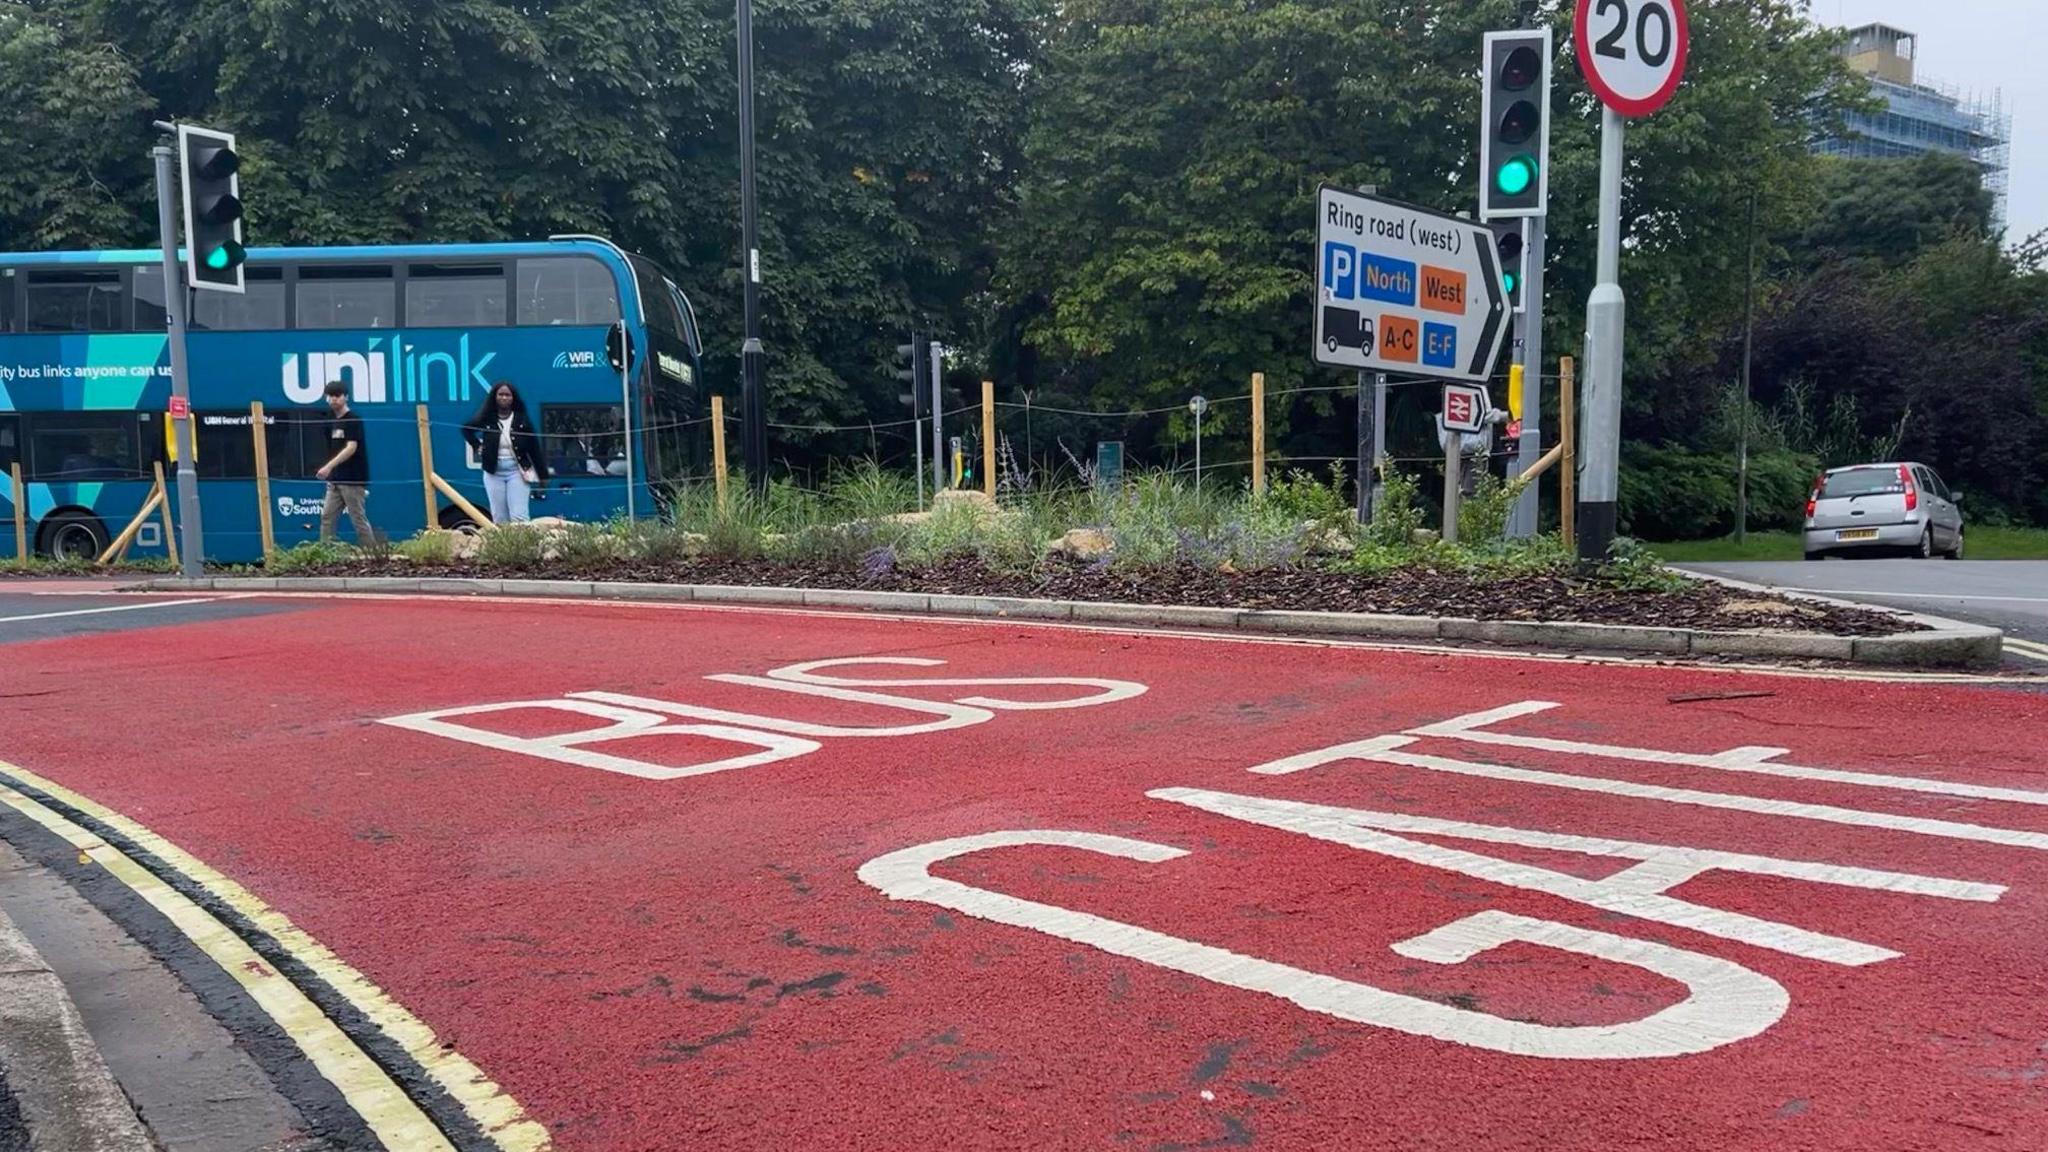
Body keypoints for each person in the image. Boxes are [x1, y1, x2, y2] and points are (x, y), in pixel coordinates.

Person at [462, 380, 549, 523]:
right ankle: (503, 545)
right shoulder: (487, 418)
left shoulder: (522, 419)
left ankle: (523, 545)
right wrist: (476, 445)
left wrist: (543, 477)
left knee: (519, 516)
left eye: (507, 395)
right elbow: (466, 429)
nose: (504, 398)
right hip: (493, 473)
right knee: (500, 517)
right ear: (494, 397)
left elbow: (534, 449)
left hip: (517, 472)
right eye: (500, 394)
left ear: (513, 398)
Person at [316, 380, 379, 543]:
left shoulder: (353, 419)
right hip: (335, 480)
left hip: (352, 478)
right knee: (326, 517)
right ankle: (326, 553)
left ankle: (371, 554)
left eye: (337, 396)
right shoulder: (329, 420)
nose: (333, 400)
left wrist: (328, 467)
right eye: (329, 396)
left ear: (346, 397)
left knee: (357, 518)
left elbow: (351, 448)